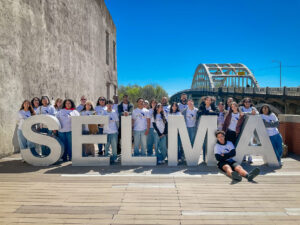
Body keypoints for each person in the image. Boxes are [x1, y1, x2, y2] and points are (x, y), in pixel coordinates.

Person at [239, 97, 259, 163]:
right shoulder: (241, 108)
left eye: (248, 102)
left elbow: (257, 114)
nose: (247, 103)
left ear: (250, 103)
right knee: (244, 141)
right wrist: (250, 113)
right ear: (243, 103)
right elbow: (240, 114)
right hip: (243, 126)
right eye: (246, 102)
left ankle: (250, 157)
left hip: (251, 127)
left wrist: (245, 113)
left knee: (251, 142)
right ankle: (244, 156)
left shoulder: (253, 108)